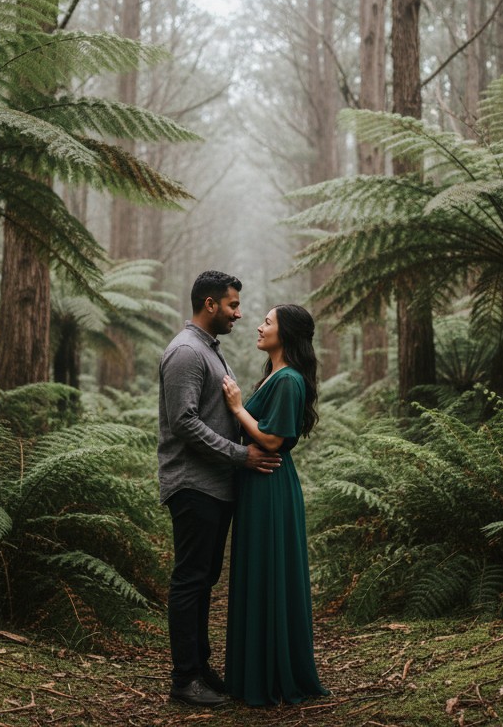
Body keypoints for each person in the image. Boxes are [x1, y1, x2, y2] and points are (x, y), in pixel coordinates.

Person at [158, 270, 281, 709]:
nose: (239, 313)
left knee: (203, 579)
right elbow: (183, 421)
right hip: (193, 484)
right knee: (191, 579)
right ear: (210, 304)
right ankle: (184, 679)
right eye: (232, 305)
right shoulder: (186, 352)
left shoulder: (209, 351)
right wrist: (240, 455)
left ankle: (200, 668)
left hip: (213, 486)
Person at [221, 303, 330, 706]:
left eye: (268, 321)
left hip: (270, 483)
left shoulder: (288, 380)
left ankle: (270, 674)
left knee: (267, 570)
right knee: (259, 570)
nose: (260, 326)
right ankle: (256, 670)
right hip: (260, 484)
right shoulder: (275, 376)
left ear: (286, 333)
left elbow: (272, 439)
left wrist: (235, 408)